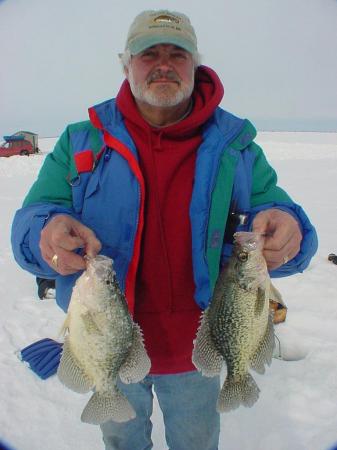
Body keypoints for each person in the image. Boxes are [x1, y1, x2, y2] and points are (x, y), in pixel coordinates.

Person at [11, 9, 318, 450]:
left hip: (199, 352)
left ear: (195, 64)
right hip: (107, 345)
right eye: (149, 53)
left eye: (178, 54)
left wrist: (291, 232)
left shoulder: (237, 146)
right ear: (126, 63)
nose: (163, 64)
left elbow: (281, 213)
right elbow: (31, 221)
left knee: (196, 441)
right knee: (122, 440)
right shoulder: (82, 141)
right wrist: (45, 234)